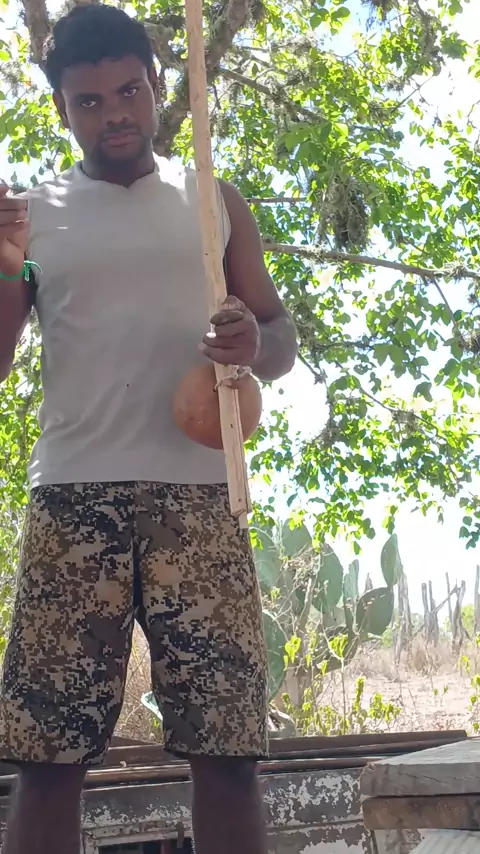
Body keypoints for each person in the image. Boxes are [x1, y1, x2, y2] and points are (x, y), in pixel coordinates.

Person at [0, 5, 297, 854]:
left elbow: (279, 339)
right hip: (72, 500)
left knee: (228, 754)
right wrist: (4, 266)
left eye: (129, 91)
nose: (115, 115)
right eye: (89, 102)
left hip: (202, 500)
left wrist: (253, 344)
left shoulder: (213, 202)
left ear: (159, 86)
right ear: (61, 108)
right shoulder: (32, 217)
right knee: (48, 761)